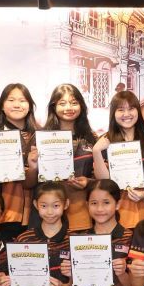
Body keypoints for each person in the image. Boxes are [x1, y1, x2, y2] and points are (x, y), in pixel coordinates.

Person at [93, 90, 144, 229]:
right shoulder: (105, 141)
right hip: (114, 210)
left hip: (142, 208)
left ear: (138, 111)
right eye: (121, 110)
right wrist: (97, 151)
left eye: (131, 109)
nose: (126, 114)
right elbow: (104, 181)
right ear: (113, 114)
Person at [42, 84, 96, 232]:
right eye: (62, 103)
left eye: (74, 103)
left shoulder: (92, 138)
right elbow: (31, 181)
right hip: (49, 213)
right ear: (53, 107)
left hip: (82, 212)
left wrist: (88, 182)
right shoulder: (41, 138)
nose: (69, 107)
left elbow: (100, 178)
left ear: (81, 106)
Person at [0, 83, 40, 235]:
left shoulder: (42, 135)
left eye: (23, 100)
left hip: (40, 210)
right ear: (1, 106)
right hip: (6, 212)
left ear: (30, 106)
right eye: (11, 100)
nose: (17, 105)